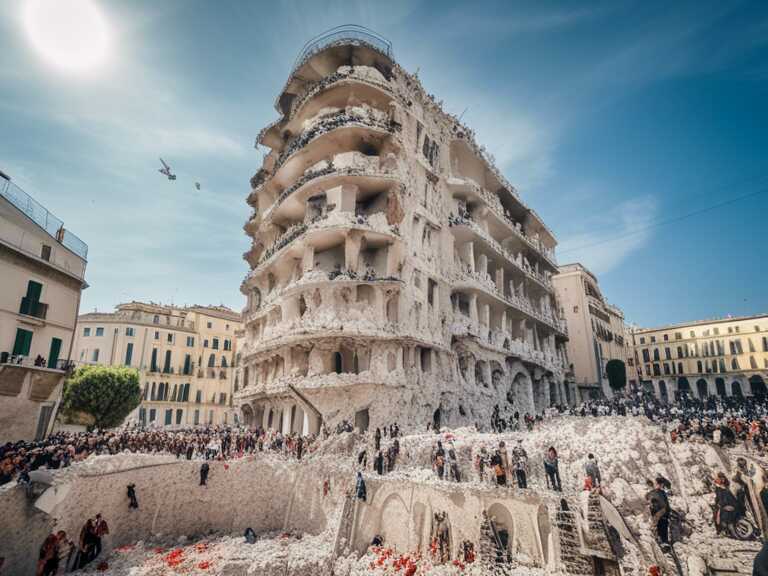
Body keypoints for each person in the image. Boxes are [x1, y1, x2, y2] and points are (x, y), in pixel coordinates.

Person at [646, 478, 671, 549]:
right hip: (661, 513)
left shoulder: (658, 493)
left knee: (662, 526)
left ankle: (663, 542)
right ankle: (663, 542)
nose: (660, 486)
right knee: (662, 527)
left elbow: (665, 504)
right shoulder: (658, 493)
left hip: (660, 513)